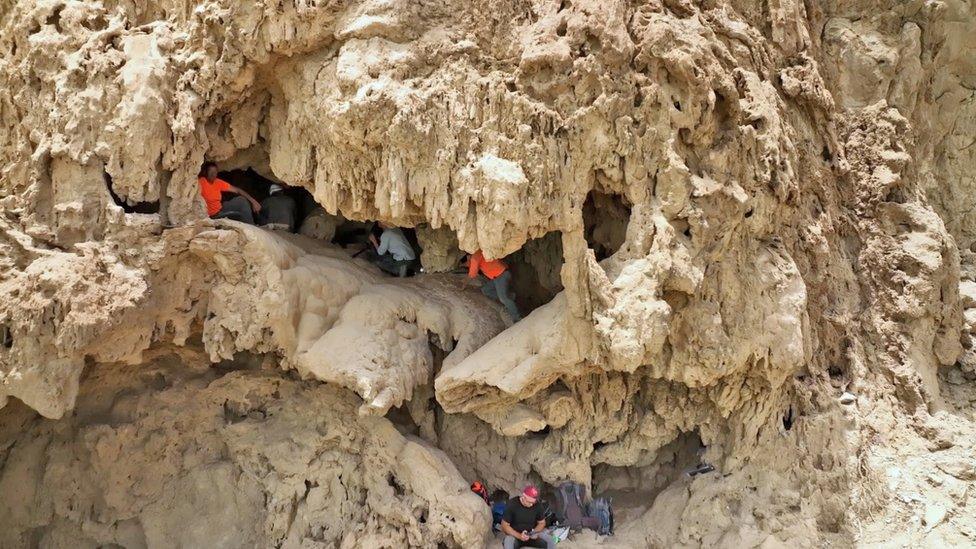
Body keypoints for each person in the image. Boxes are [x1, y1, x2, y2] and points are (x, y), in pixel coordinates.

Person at [467, 250, 521, 321]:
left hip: (501, 275)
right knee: (486, 290)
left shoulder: (475, 257)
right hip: (499, 275)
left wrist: (464, 283)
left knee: (503, 299)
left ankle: (517, 317)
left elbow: (472, 274)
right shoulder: (481, 251)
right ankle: (511, 297)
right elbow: (471, 264)